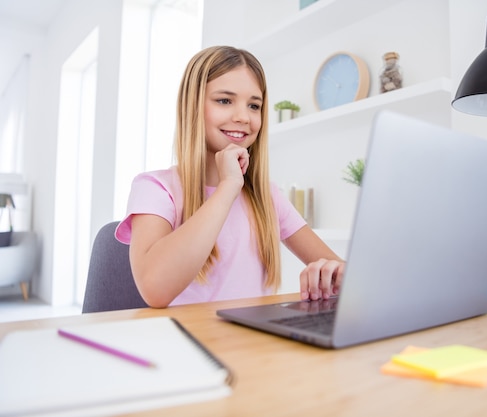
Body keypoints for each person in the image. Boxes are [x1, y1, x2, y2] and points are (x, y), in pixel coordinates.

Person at [115, 46, 345, 308]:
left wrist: (333, 273)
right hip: (183, 343)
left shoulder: (266, 196)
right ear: (192, 106)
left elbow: (341, 272)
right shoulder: (155, 188)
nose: (243, 117)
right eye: (224, 101)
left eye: (254, 105)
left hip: (251, 344)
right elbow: (155, 289)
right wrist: (228, 186)